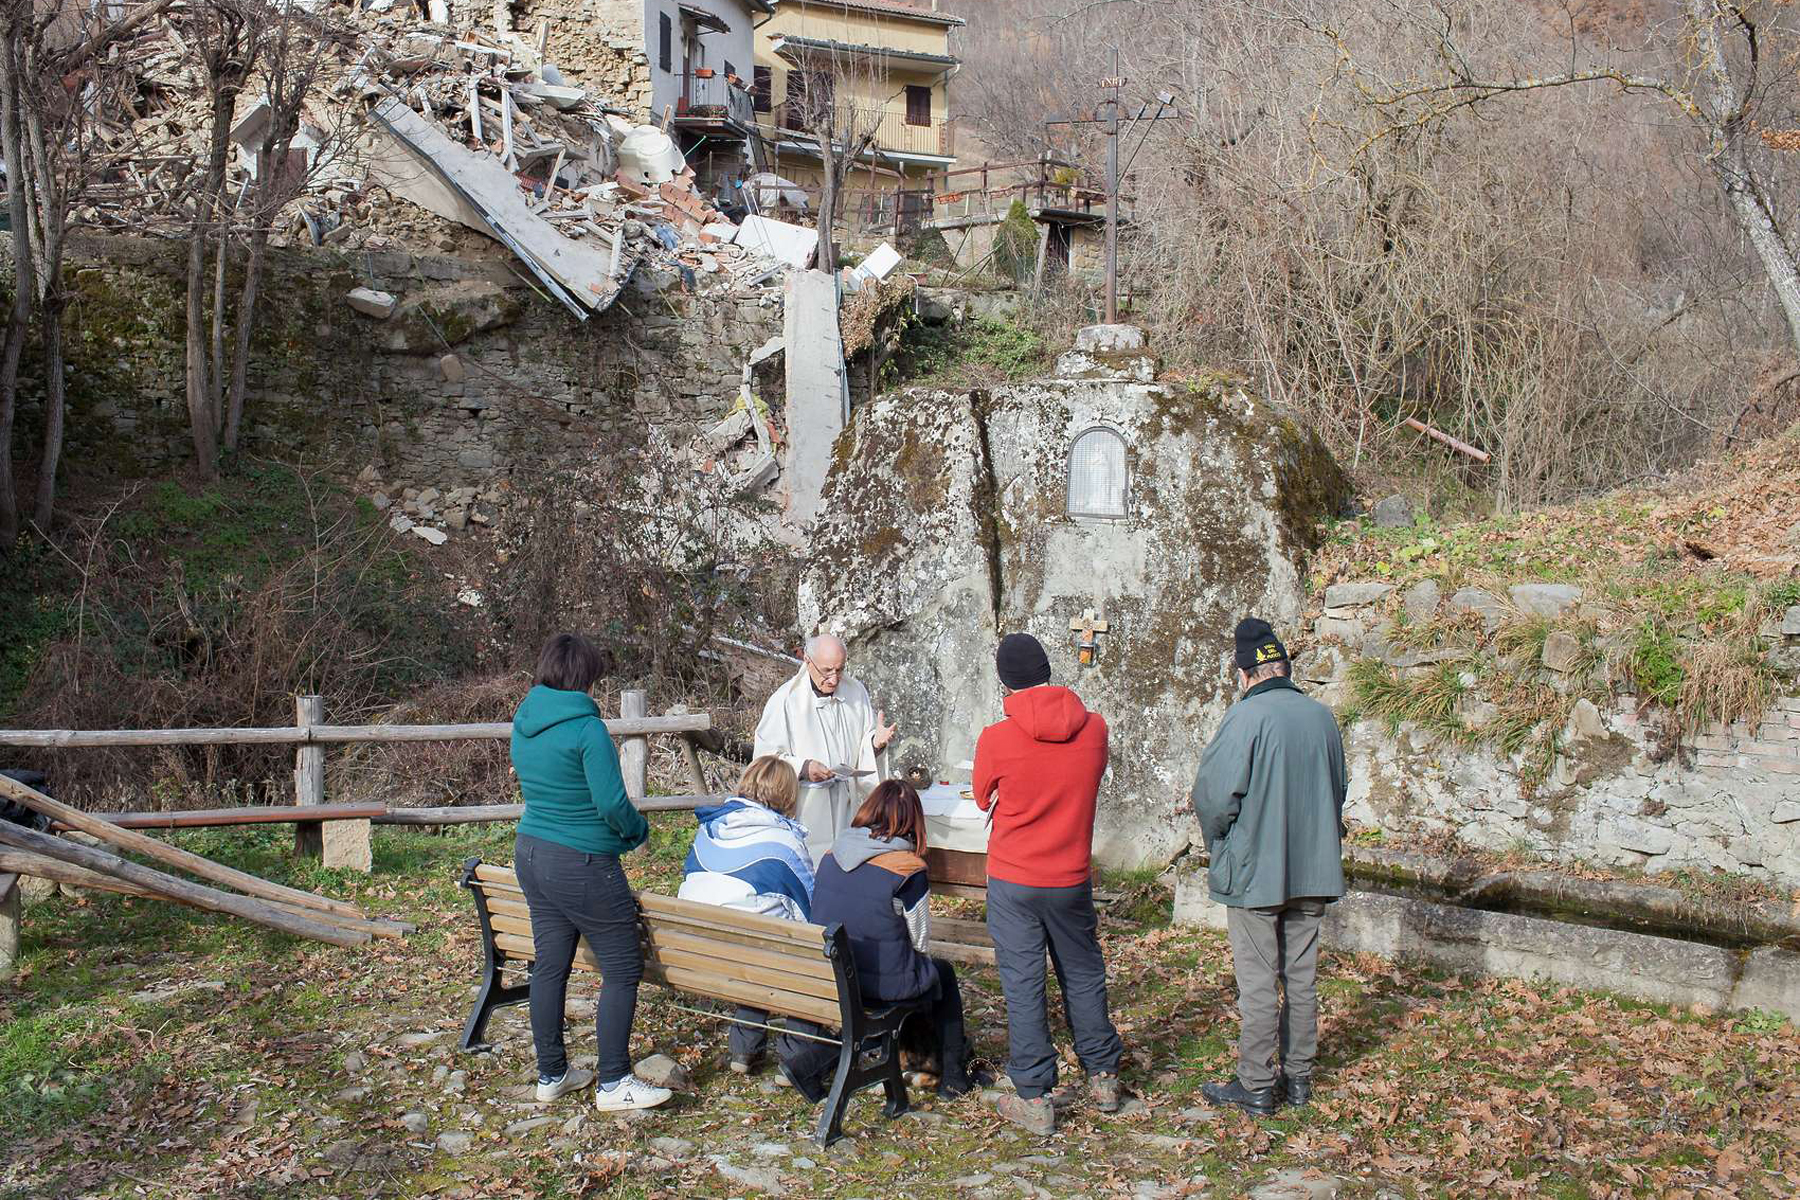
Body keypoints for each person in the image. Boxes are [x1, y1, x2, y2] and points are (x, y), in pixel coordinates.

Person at [1188, 618, 1347, 1116]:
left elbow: (1213, 797)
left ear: (1244, 673)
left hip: (1256, 871)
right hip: (1313, 870)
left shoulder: (1246, 718)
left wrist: (1221, 841)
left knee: (1258, 980)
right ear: (1283, 667)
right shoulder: (1322, 716)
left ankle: (1256, 1083)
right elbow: (1337, 790)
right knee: (1301, 977)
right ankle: (1298, 1079)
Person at [509, 633, 671, 1112]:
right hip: (580, 862)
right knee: (623, 967)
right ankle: (614, 1082)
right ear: (584, 678)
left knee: (550, 965)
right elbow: (611, 803)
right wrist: (635, 831)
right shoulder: (587, 729)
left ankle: (552, 1073)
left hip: (532, 852)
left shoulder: (524, 722)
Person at [972, 631, 1123, 1136]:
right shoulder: (1095, 729)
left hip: (1014, 876)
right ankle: (1103, 1075)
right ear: (1048, 671)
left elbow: (979, 797)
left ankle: (1036, 1097)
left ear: (1005, 686)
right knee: (1081, 973)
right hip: (1070, 875)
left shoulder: (997, 737)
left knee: (1023, 984)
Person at [782, 780, 977, 1100]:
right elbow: (921, 943)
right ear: (913, 821)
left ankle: (810, 1062)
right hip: (880, 987)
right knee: (941, 972)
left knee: (895, 987)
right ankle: (954, 1076)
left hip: (832, 975)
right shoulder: (907, 870)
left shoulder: (832, 854)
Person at [677, 755, 817, 1076]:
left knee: (753, 937)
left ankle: (745, 1048)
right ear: (789, 796)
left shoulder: (709, 829)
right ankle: (796, 1053)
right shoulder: (785, 843)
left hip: (694, 952)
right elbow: (812, 912)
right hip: (755, 956)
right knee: (801, 951)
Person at [754, 633, 897, 862]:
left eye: (839, 670)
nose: (834, 679)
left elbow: (863, 747)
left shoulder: (855, 692)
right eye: (827, 671)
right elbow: (764, 761)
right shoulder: (785, 701)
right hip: (805, 810)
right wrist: (803, 767)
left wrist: (875, 744)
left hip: (846, 808)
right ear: (807, 661)